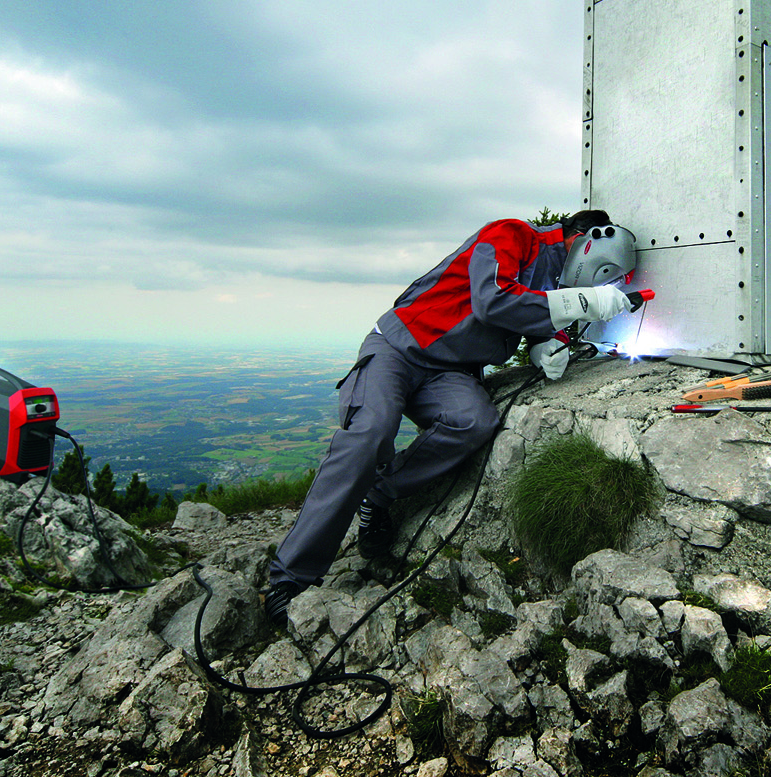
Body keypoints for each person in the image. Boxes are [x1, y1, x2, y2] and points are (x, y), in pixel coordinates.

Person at [262, 209, 639, 624]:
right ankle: (290, 577)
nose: (593, 285)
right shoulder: (512, 235)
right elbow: (492, 299)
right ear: (586, 239)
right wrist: (584, 302)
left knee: (474, 421)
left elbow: (535, 319)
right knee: (370, 433)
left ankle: (379, 494)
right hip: (399, 349)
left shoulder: (553, 278)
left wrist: (542, 346)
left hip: (450, 371)